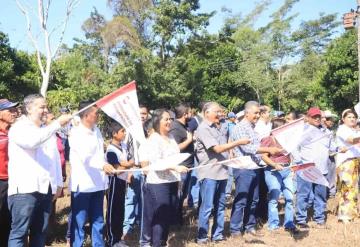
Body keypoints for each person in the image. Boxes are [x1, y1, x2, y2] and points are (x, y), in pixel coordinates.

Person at [7, 94, 72, 247]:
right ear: (29, 109)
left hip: (45, 189)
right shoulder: (19, 128)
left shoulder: (46, 130)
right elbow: (32, 141)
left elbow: (54, 159)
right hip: (24, 190)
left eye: (46, 107)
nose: (45, 110)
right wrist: (56, 124)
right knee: (19, 233)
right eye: (41, 107)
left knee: (40, 232)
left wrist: (57, 184)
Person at [195, 102, 250, 244]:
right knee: (207, 207)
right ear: (206, 112)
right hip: (209, 173)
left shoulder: (222, 125)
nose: (220, 114)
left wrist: (232, 149)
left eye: (221, 112)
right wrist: (238, 143)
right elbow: (218, 149)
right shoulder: (203, 128)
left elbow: (227, 141)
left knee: (220, 206)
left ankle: (217, 235)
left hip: (223, 172)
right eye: (217, 112)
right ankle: (202, 237)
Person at [229, 101, 282, 238]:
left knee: (254, 199)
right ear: (247, 113)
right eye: (256, 113)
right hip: (243, 169)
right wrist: (269, 149)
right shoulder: (241, 128)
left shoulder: (252, 128)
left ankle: (249, 226)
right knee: (242, 199)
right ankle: (235, 229)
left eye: (259, 113)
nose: (258, 115)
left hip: (254, 167)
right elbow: (249, 148)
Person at [69, 101, 115, 247]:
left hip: (98, 183)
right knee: (79, 222)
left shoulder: (97, 130)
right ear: (86, 115)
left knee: (98, 220)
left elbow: (100, 153)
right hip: (83, 184)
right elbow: (85, 157)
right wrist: (103, 165)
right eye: (96, 113)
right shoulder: (76, 133)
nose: (98, 116)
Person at [141, 109, 189, 247]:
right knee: (160, 216)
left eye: (170, 119)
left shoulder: (171, 138)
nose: (169, 122)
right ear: (157, 121)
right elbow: (156, 163)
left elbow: (175, 156)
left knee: (167, 215)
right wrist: (175, 167)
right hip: (158, 183)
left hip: (172, 181)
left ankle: (162, 243)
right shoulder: (154, 139)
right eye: (166, 119)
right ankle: (155, 244)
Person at [293, 107, 338, 229]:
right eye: (314, 117)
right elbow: (293, 147)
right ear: (308, 118)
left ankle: (320, 219)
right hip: (306, 168)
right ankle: (301, 220)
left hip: (322, 169)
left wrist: (339, 149)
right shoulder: (302, 131)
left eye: (319, 116)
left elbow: (333, 148)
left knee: (320, 195)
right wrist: (300, 162)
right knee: (303, 195)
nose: (317, 119)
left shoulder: (327, 132)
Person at [261, 118, 299, 234]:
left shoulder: (287, 140)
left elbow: (290, 155)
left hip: (287, 170)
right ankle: (273, 224)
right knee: (274, 198)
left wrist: (292, 168)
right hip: (273, 171)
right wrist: (274, 164)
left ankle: (289, 223)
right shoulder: (268, 139)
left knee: (290, 197)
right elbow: (263, 156)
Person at [105, 122, 134, 247]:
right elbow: (117, 168)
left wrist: (127, 164)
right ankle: (111, 239)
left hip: (122, 182)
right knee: (112, 211)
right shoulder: (111, 150)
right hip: (114, 182)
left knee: (120, 210)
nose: (124, 133)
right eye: (122, 131)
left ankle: (118, 237)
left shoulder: (123, 146)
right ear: (114, 134)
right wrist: (129, 164)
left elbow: (125, 163)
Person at [123, 105, 148, 239]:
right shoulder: (129, 131)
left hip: (145, 169)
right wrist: (129, 171)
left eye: (144, 113)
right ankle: (127, 228)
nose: (142, 116)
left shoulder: (146, 131)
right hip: (134, 169)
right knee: (131, 199)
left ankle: (139, 224)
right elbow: (125, 151)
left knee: (143, 199)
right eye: (140, 114)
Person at [169, 103, 194, 224]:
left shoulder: (185, 126)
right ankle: (174, 221)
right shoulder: (175, 128)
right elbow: (175, 148)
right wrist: (189, 140)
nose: (192, 115)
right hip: (180, 167)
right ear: (185, 114)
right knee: (177, 196)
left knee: (183, 195)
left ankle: (178, 219)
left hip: (188, 166)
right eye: (190, 112)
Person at [336, 109, 360, 223]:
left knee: (354, 189)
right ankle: (344, 215)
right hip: (346, 162)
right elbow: (351, 140)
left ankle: (354, 214)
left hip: (355, 161)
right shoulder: (342, 130)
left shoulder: (354, 130)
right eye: (349, 117)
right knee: (346, 188)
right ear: (343, 119)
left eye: (354, 117)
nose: (352, 119)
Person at [0, 99, 18, 247]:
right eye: (10, 110)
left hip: (14, 181)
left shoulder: (15, 132)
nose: (14, 112)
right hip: (0, 181)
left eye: (15, 109)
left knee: (9, 218)